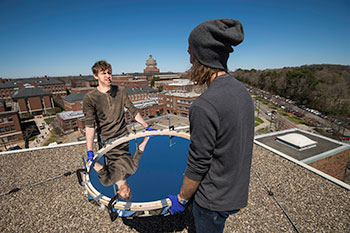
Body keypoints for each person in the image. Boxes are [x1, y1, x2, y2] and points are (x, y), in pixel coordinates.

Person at [168, 19, 255, 233]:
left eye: (191, 54)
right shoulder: (242, 91)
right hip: (235, 191)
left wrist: (181, 198)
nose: (189, 58)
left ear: (203, 56)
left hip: (212, 200)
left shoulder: (204, 105)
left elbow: (198, 164)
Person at [83, 60, 154, 200]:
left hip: (122, 137)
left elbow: (132, 110)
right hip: (108, 140)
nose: (108, 76)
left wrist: (146, 126)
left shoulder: (107, 181)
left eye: (109, 73)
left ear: (117, 193)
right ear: (95, 76)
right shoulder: (90, 98)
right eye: (104, 73)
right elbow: (90, 125)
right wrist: (89, 149)